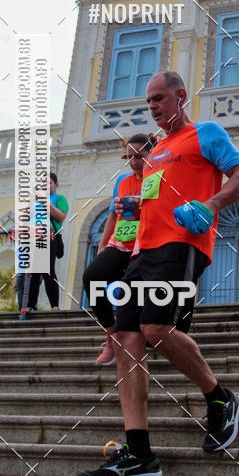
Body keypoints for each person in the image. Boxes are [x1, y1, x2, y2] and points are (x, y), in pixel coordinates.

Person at [78, 71, 239, 476]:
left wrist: (209, 206)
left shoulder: (205, 134)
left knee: (156, 327)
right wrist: (134, 210)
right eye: (148, 101)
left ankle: (221, 399)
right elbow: (154, 202)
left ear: (180, 95)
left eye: (159, 98)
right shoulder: (154, 152)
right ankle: (139, 455)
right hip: (142, 252)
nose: (153, 106)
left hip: (182, 245)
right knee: (127, 339)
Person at [83, 133, 155, 364]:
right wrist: (104, 244)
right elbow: (113, 215)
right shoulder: (123, 181)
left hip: (145, 244)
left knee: (133, 293)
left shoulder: (158, 177)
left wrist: (141, 208)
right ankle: (112, 336)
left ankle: (145, 336)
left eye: (140, 157)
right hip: (120, 242)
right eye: (130, 157)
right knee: (92, 277)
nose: (134, 162)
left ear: (151, 155)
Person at [18, 173, 68, 318]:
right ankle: (30, 305)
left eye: (49, 183)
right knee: (33, 273)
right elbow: (25, 219)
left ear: (56, 184)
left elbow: (60, 216)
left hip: (48, 236)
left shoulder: (59, 199)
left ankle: (54, 306)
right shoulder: (34, 202)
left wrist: (45, 202)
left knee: (48, 272)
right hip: (31, 238)